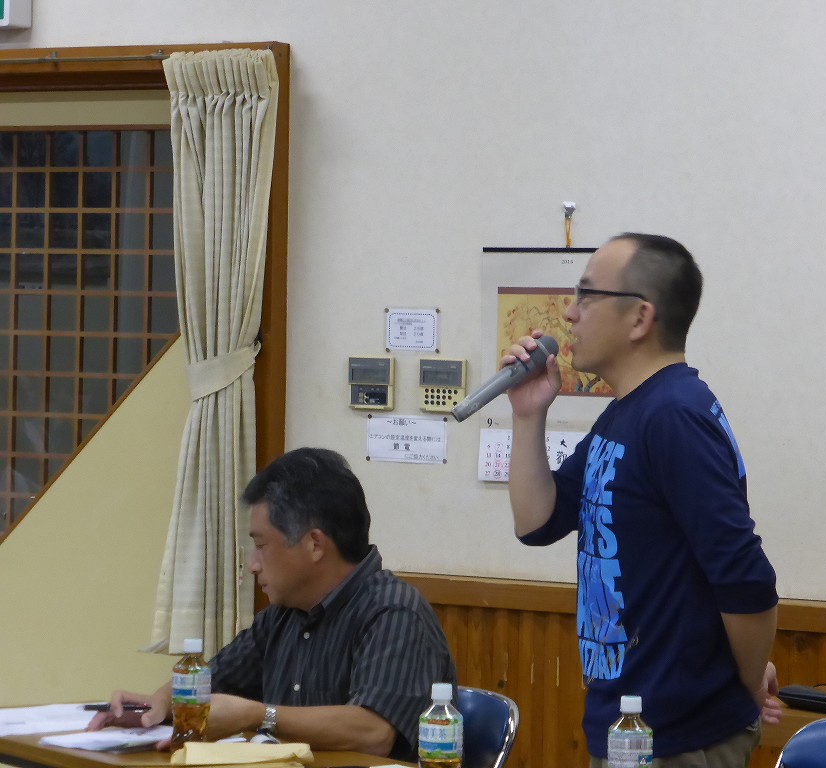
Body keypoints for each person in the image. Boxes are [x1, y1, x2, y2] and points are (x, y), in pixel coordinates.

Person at [503, 233, 780, 767]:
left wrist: (745, 683)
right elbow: (537, 521)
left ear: (639, 318)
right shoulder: (629, 412)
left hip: (676, 739)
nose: (569, 312)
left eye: (587, 295)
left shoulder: (673, 415)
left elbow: (747, 579)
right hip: (628, 730)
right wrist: (528, 413)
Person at [88, 447, 456, 762]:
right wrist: (161, 704)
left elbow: (373, 733)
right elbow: (213, 681)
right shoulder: (284, 613)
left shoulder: (395, 613)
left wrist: (259, 716)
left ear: (314, 544)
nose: (252, 564)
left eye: (261, 545)